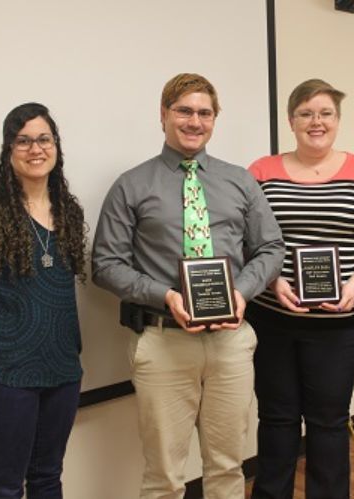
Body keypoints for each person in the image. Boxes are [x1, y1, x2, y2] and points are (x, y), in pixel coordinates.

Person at [91, 73, 284, 498]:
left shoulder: (240, 181)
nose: (194, 121)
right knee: (164, 477)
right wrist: (167, 296)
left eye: (204, 112)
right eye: (184, 111)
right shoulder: (132, 185)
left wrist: (242, 291)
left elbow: (271, 248)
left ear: (215, 119)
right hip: (163, 343)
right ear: (163, 115)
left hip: (231, 341)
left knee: (228, 468)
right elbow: (105, 264)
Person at [247, 79, 354, 499]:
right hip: (273, 317)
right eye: (306, 113)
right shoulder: (261, 171)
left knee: (329, 420)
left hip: (341, 322)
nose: (316, 122)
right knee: (277, 418)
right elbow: (244, 240)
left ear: (337, 120)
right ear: (291, 120)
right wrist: (273, 280)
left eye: (325, 113)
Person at [0, 102, 87, 499]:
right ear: (8, 152)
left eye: (43, 138)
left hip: (61, 370)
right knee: (5, 486)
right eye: (22, 141)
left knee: (47, 478)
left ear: (56, 146)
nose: (35, 148)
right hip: (2, 373)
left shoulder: (69, 211)